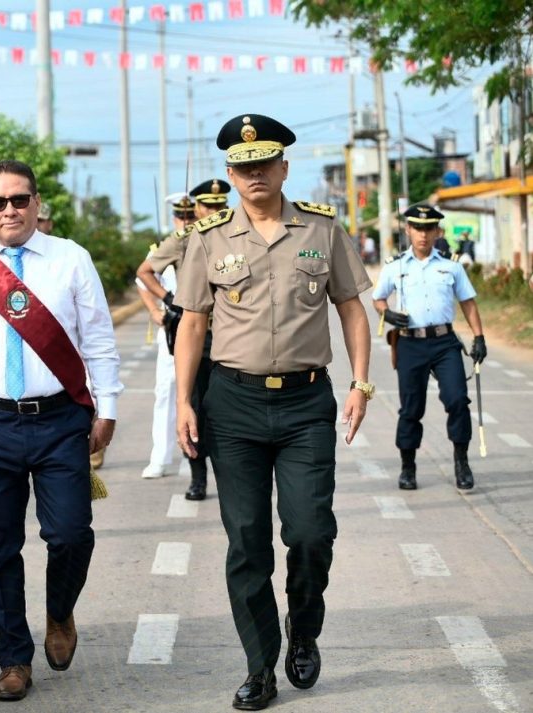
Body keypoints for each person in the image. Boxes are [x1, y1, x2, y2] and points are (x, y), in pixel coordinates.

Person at [174, 114, 372, 710]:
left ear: (284, 167)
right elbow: (192, 322)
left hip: (307, 403)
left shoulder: (321, 229)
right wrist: (185, 400)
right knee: (248, 542)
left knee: (310, 532)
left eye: (265, 163)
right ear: (230, 173)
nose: (255, 173)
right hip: (232, 403)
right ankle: (260, 667)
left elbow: (352, 308)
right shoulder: (208, 237)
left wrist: (362, 382)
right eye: (243, 165)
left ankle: (303, 631)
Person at [0, 159, 122, 702]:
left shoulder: (71, 260)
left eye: (19, 199)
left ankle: (60, 612)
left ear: (37, 204)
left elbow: (98, 337)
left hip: (60, 420)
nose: (9, 210)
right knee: (0, 548)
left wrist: (106, 407)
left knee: (70, 534)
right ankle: (14, 657)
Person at [372, 204, 486, 491]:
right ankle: (407, 467)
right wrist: (387, 314)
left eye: (428, 228)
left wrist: (479, 337)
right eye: (417, 228)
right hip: (410, 343)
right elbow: (378, 298)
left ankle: (462, 462)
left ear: (437, 231)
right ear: (408, 229)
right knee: (411, 408)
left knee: (458, 400)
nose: (423, 234)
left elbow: (468, 303)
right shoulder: (395, 266)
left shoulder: (451, 266)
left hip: (445, 342)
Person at [136, 179, 231, 499]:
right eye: (210, 207)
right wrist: (171, 298)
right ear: (198, 208)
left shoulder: (241, 233)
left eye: (221, 206)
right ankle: (198, 476)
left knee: (233, 409)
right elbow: (145, 271)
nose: (216, 212)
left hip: (236, 337)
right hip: (200, 336)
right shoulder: (184, 240)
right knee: (196, 407)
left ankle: (236, 475)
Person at [133, 192, 196, 481]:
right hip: (173, 326)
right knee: (165, 391)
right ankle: (160, 457)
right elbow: (143, 282)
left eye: (190, 215)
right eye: (181, 216)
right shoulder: (161, 248)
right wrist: (156, 310)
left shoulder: (203, 241)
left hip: (205, 327)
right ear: (174, 217)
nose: (186, 220)